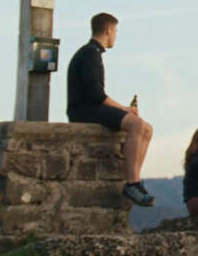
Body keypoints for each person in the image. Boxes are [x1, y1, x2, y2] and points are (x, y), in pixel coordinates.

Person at [66, 12, 154, 207]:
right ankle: (132, 183)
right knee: (137, 124)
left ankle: (135, 180)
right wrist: (125, 109)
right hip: (83, 111)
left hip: (89, 108)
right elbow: (96, 94)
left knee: (147, 129)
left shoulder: (91, 53)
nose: (115, 36)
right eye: (115, 31)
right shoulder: (90, 54)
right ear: (108, 30)